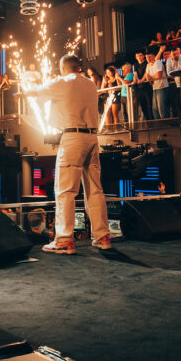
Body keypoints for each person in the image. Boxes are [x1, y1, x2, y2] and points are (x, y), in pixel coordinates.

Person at [22, 54, 111, 253]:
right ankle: (103, 237)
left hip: (73, 138)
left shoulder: (63, 81)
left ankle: (64, 240)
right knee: (95, 190)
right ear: (79, 67)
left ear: (63, 68)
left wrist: (22, 92)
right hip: (92, 138)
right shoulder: (90, 84)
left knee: (65, 190)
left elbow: (35, 91)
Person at [142, 52, 169, 119]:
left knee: (161, 107)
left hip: (162, 86)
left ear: (154, 56)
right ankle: (158, 122)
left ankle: (165, 122)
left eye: (150, 57)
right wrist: (151, 78)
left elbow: (159, 75)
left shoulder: (158, 62)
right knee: (155, 108)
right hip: (154, 87)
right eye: (147, 58)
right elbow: (147, 76)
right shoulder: (148, 65)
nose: (148, 59)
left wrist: (151, 78)